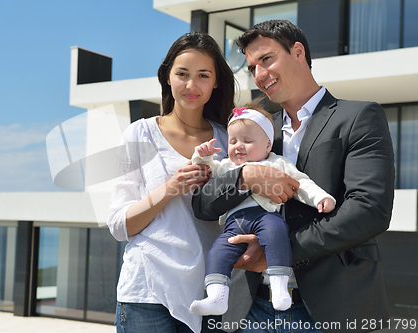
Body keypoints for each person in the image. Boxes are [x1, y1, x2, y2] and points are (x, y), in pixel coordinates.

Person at [192, 20, 395, 333]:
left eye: (266, 59)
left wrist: (276, 252)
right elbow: (203, 203)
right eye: (252, 67)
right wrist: (246, 176)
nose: (259, 75)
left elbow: (370, 210)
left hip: (332, 309)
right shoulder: (254, 129)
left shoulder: (358, 116)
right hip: (249, 309)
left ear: (298, 51)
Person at [107, 31, 235, 333]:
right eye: (182, 74)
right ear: (167, 77)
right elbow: (118, 225)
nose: (192, 85)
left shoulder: (230, 139)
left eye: (203, 75)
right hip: (146, 294)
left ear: (216, 82)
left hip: (211, 292)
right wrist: (170, 189)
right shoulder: (139, 135)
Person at [189, 102, 335, 315]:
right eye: (233, 141)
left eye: (247, 140)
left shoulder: (277, 163)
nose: (238, 145)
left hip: (265, 216)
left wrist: (320, 197)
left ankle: (279, 287)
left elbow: (300, 183)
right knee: (218, 252)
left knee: (277, 234)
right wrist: (203, 156)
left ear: (268, 145)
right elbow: (208, 175)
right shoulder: (227, 166)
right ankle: (216, 296)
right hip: (233, 224)